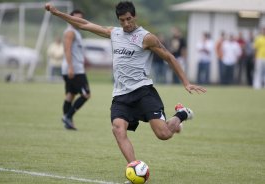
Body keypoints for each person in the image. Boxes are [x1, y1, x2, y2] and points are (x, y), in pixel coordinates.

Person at [45, 1, 206, 164]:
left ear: (134, 16)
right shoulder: (114, 33)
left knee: (163, 134)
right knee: (118, 128)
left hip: (143, 91)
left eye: (129, 19)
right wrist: (58, 13)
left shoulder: (146, 38)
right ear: (118, 20)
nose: (126, 23)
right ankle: (134, 167)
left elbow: (169, 57)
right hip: (121, 94)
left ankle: (182, 113)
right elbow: (84, 24)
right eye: (122, 20)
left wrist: (186, 82)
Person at [61, 9, 91, 130]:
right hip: (74, 70)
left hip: (75, 68)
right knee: (86, 95)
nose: (77, 21)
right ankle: (67, 116)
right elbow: (67, 50)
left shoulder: (77, 32)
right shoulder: (70, 32)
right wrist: (71, 67)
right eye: (75, 18)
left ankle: (68, 123)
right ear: (70, 18)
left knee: (70, 95)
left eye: (80, 18)